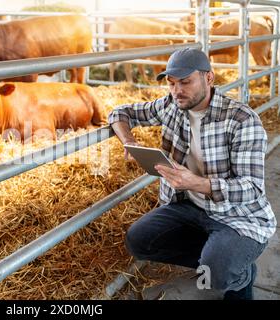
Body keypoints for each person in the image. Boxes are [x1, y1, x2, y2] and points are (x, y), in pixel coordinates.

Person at [108, 48, 277, 300]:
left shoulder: (242, 119)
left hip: (236, 215)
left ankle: (238, 273)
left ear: (209, 79)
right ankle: (225, 261)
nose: (177, 90)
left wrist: (198, 183)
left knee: (216, 274)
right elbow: (119, 113)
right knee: (139, 241)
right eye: (171, 83)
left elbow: (251, 188)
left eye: (185, 82)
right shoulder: (171, 105)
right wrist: (129, 140)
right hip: (187, 204)